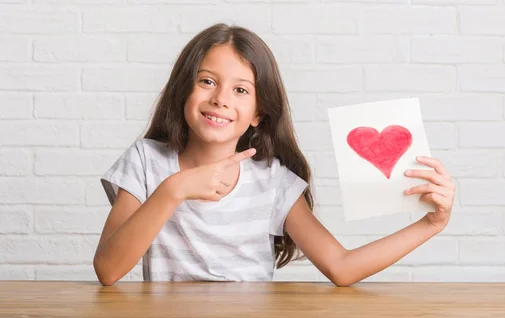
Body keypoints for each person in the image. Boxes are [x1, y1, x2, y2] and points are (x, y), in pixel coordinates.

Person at [93, 23, 456, 287]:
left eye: (240, 89)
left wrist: (431, 224)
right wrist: (173, 190)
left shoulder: (273, 180)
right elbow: (107, 271)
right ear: (183, 91)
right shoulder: (145, 161)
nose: (221, 98)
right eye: (207, 81)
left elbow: (342, 268)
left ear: (258, 114)